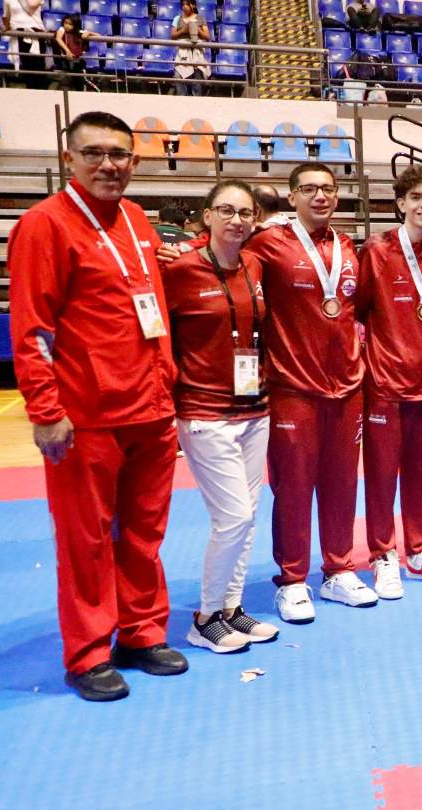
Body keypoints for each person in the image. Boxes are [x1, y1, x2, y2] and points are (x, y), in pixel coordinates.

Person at [9, 111, 186, 701]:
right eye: (94, 153)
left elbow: (150, 308)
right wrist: (45, 408)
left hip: (150, 408)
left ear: (135, 161)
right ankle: (86, 652)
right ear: (69, 160)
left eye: (119, 154)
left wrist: (168, 389)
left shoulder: (137, 220)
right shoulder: (43, 226)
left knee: (143, 534)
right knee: (84, 540)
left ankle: (140, 632)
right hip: (85, 416)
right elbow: (32, 328)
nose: (108, 164)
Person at [242, 163, 373, 622]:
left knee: (341, 484)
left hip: (347, 388)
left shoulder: (348, 247)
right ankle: (293, 580)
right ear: (292, 196)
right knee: (294, 488)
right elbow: (222, 255)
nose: (320, 196)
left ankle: (338, 571)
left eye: (328, 189)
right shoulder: (266, 244)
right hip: (293, 387)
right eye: (309, 189)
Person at [163, 180, 280, 654]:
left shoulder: (254, 264)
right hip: (204, 412)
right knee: (231, 517)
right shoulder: (178, 268)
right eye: (226, 210)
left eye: (245, 212)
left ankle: (231, 608)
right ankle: (206, 615)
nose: (236, 220)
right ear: (207, 216)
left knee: (247, 516)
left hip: (254, 408)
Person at [358, 164, 422, 599]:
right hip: (386, 382)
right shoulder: (376, 250)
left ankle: (420, 548)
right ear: (400, 203)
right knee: (382, 476)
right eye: (416, 197)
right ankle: (383, 555)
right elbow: (359, 309)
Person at [4, 0, 48, 89]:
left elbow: (31, 6)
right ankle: (30, 93)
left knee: (39, 67)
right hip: (20, 34)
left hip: (37, 34)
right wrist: (6, 27)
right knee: (27, 67)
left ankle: (42, 94)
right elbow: (6, 17)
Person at [171, 0, 212, 97]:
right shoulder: (177, 18)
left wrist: (197, 29)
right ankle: (182, 99)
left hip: (196, 51)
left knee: (196, 79)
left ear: (193, 5)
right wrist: (184, 30)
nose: (185, 7)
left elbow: (207, 36)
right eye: (183, 5)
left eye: (187, 4)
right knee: (178, 76)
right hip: (182, 52)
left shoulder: (201, 18)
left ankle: (196, 101)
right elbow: (173, 35)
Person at [52, 13, 91, 91]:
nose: (67, 25)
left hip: (77, 63)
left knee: (80, 85)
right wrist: (68, 51)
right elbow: (58, 38)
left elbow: (99, 35)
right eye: (65, 23)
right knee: (66, 85)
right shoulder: (61, 29)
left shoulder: (78, 32)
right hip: (65, 63)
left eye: (70, 24)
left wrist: (88, 33)